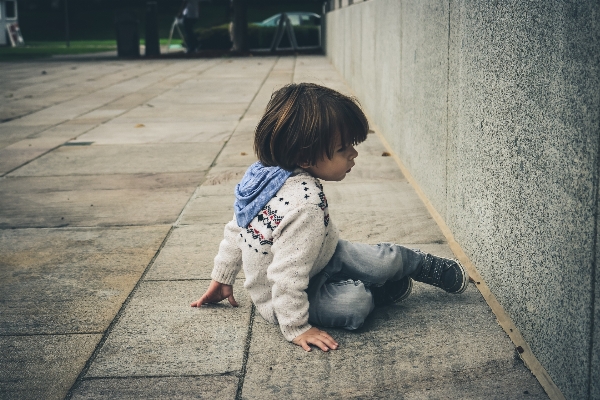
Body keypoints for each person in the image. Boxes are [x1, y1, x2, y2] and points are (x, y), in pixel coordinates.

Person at [191, 83, 469, 352]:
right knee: (354, 307)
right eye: (342, 148)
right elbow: (279, 271)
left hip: (324, 253)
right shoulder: (304, 206)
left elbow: (235, 229)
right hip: (281, 293)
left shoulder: (264, 173)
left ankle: (419, 264)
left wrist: (222, 278)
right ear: (304, 157)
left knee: (384, 261)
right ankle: (376, 291)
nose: (354, 153)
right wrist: (296, 327)